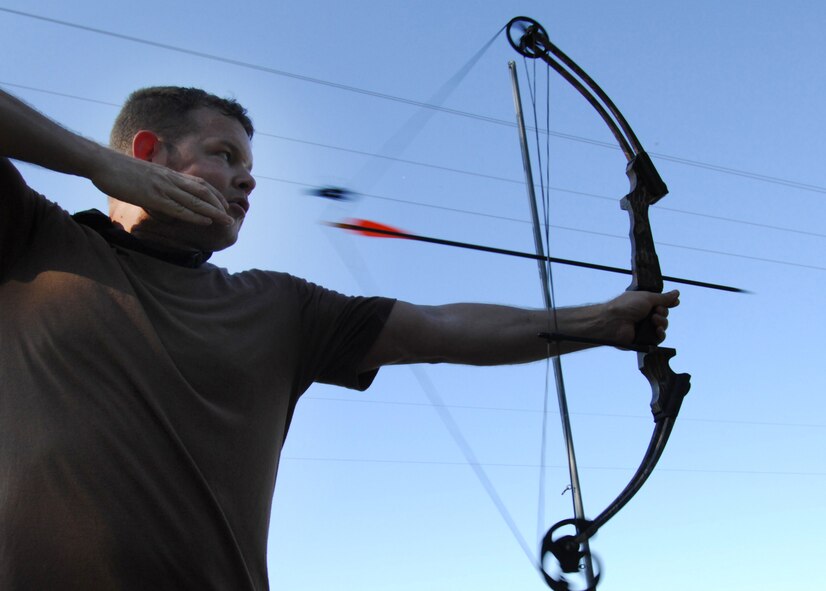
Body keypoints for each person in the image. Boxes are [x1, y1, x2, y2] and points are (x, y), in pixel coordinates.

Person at [0, 86, 678, 590]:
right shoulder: (33, 241)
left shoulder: (278, 306)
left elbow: (442, 328)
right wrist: (98, 163)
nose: (248, 178)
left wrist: (603, 321)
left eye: (249, 165)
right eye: (224, 154)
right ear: (148, 151)